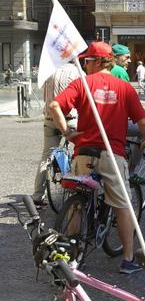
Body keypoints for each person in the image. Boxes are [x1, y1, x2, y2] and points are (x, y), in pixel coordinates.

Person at [49, 41, 145, 274]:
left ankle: (69, 254)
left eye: (87, 61)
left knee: (78, 202)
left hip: (84, 152)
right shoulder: (124, 88)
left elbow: (55, 106)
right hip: (112, 153)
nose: (85, 65)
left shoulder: (83, 84)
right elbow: (144, 122)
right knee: (123, 205)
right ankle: (128, 259)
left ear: (97, 61)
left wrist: (67, 132)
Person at [32, 62, 81, 206]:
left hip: (50, 118)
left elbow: (44, 96)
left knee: (46, 156)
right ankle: (79, 188)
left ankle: (37, 195)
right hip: (69, 119)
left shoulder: (50, 70)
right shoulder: (77, 72)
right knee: (82, 149)